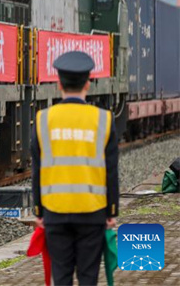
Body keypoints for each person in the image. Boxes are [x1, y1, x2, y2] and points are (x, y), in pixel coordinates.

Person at [31, 50, 119, 286]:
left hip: (55, 213)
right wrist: (111, 211)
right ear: (88, 84)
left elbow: (37, 172)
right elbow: (111, 171)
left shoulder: (42, 120)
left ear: (58, 84)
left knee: (61, 277)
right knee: (89, 277)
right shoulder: (104, 119)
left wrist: (39, 211)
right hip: (93, 212)